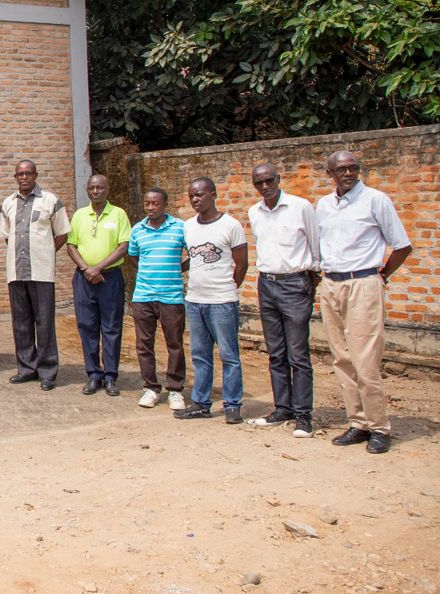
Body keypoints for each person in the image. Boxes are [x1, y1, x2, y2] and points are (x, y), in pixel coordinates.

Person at [317, 150, 412, 454]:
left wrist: (381, 275)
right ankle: (357, 423)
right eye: (340, 169)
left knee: (365, 359)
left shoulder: (375, 200)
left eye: (353, 168)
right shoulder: (324, 205)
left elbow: (402, 245)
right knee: (342, 358)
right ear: (329, 173)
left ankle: (379, 427)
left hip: (364, 283)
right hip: (331, 283)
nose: (347, 173)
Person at [247, 163, 321, 437]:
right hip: (267, 283)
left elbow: (315, 246)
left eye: (269, 181)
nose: (265, 187)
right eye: (259, 183)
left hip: (295, 282)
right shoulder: (255, 212)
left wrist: (309, 280)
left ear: (279, 179)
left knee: (298, 353)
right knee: (276, 352)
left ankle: (303, 414)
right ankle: (282, 408)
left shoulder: (300, 207)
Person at [174, 178, 248, 423]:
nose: (195, 199)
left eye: (200, 195)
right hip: (195, 300)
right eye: (191, 196)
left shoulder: (230, 225)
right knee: (200, 355)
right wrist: (177, 268)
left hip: (222, 302)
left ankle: (232, 404)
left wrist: (229, 286)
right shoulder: (188, 227)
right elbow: (195, 258)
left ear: (213, 195)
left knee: (229, 355)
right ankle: (201, 403)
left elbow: (242, 263)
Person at [0, 159, 70, 391]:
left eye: (28, 173)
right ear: (15, 177)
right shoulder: (8, 203)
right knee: (21, 322)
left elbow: (62, 234)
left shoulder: (50, 201)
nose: (24, 177)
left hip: (41, 272)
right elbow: (8, 236)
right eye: (20, 174)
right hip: (16, 271)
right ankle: (27, 368)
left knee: (44, 321)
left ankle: (47, 371)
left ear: (36, 175)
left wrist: (45, 253)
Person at [65, 174, 131, 396]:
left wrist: (99, 267)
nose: (96, 191)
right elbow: (71, 245)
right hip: (84, 279)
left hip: (110, 278)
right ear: (87, 190)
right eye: (92, 187)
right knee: (87, 326)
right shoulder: (80, 215)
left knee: (111, 327)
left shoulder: (118, 214)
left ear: (107, 188)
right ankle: (93, 374)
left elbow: (123, 246)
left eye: (100, 187)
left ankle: (111, 376)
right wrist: (86, 269)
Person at [128, 187, 188, 410]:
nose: (151, 208)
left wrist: (176, 269)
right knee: (144, 345)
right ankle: (151, 388)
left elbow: (193, 253)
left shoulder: (180, 228)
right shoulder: (138, 230)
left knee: (174, 344)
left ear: (165, 205)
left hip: (171, 297)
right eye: (148, 203)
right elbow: (134, 258)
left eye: (156, 203)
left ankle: (175, 389)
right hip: (143, 296)